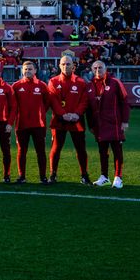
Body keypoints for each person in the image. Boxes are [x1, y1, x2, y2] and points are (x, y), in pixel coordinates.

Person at [47, 53, 91, 184]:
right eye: (63, 64)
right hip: (59, 120)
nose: (66, 66)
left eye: (68, 64)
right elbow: (53, 100)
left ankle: (84, 175)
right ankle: (53, 174)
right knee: (56, 148)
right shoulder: (53, 81)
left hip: (76, 120)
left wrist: (77, 114)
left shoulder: (81, 82)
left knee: (81, 149)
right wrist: (62, 114)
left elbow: (84, 101)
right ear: (59, 66)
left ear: (73, 66)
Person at [86, 60, 130, 189]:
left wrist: (125, 121)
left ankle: (118, 177)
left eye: (100, 67)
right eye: (95, 68)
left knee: (117, 151)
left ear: (105, 69)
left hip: (114, 123)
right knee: (102, 152)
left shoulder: (115, 82)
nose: (98, 70)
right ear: (92, 70)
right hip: (99, 125)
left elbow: (125, 102)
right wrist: (91, 125)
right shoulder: (89, 85)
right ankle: (104, 177)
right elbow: (89, 108)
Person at [12, 60, 51, 184]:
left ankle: (43, 177)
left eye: (30, 69)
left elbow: (47, 103)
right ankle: (21, 176)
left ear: (35, 71)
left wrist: (39, 113)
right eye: (25, 69)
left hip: (38, 125)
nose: (27, 71)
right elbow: (13, 105)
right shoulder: (16, 86)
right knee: (21, 151)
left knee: (41, 151)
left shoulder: (42, 85)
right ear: (22, 70)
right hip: (21, 124)